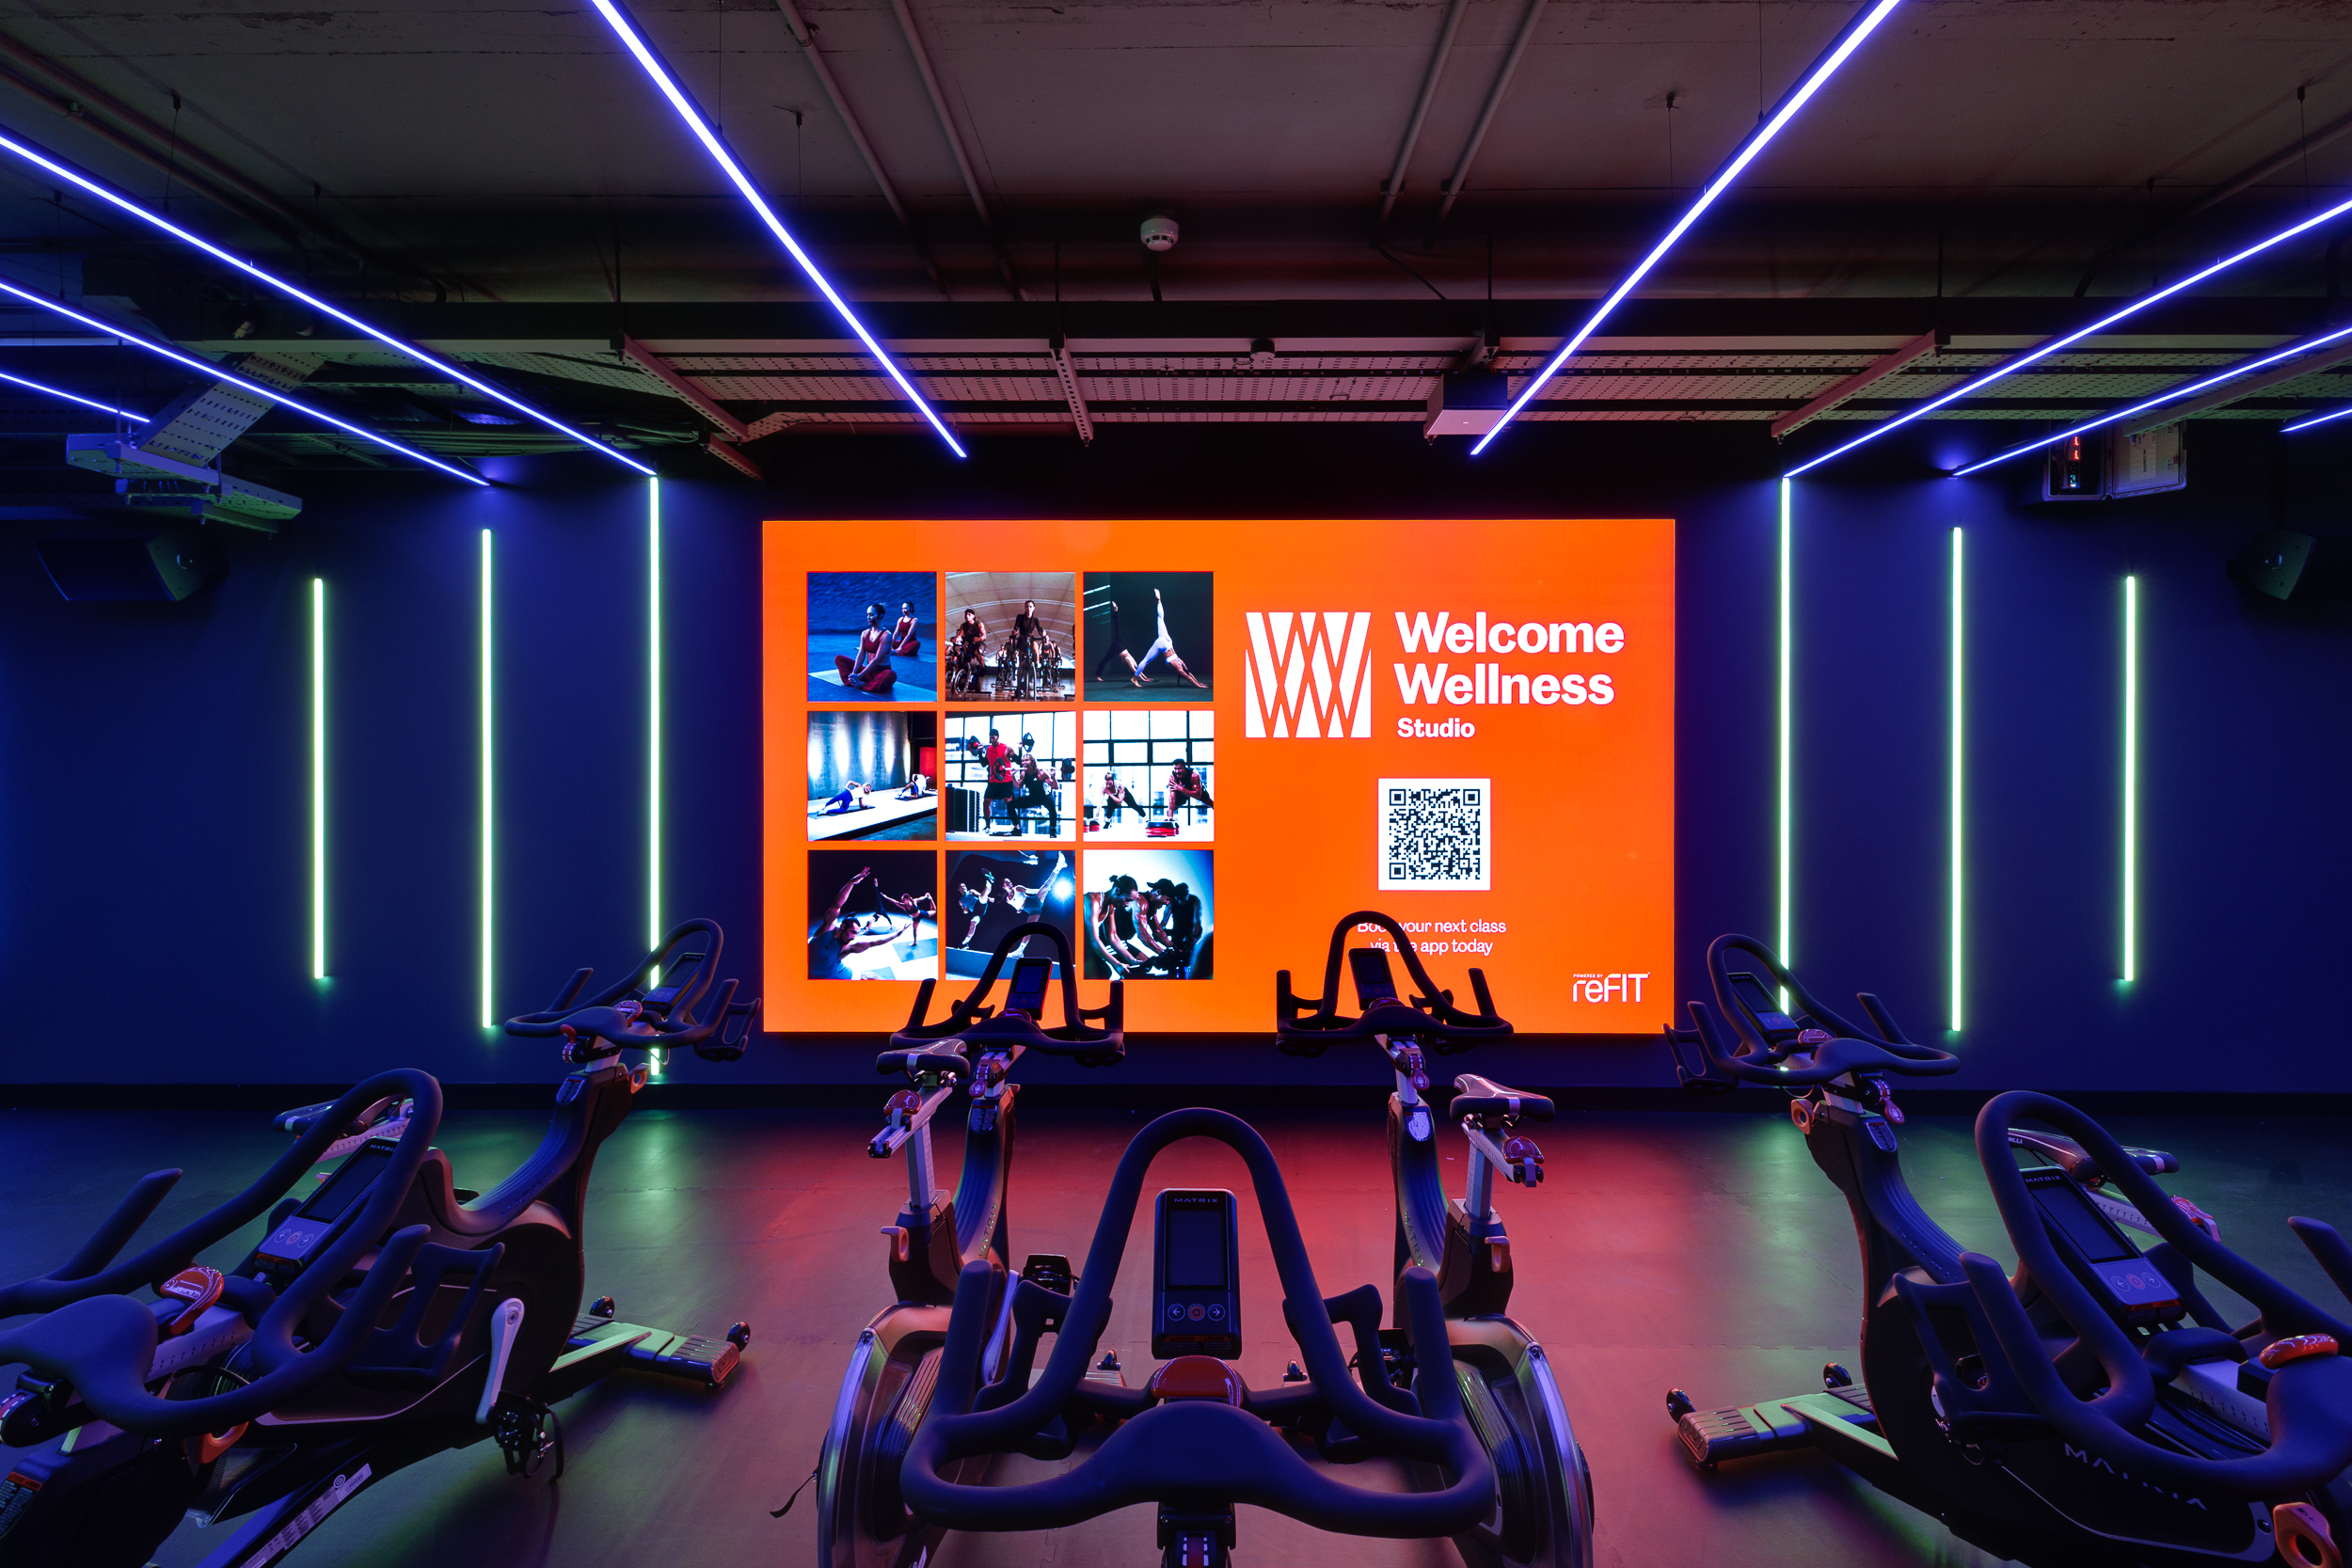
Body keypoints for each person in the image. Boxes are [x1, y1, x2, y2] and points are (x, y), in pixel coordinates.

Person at [811, 867, 904, 977]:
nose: (854, 937)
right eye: (853, 932)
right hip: (817, 977)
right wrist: (851, 883)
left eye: (856, 933)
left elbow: (874, 942)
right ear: (843, 926)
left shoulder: (848, 946)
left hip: (837, 974)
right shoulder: (827, 929)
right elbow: (836, 905)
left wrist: (896, 934)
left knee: (873, 977)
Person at [1113, 587, 1207, 689]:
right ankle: (1159, 600)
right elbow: (1189, 673)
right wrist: (1199, 684)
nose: (1182, 669)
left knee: (1146, 661)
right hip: (1168, 642)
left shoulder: (1176, 667)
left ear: (1177, 673)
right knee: (1161, 618)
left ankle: (1134, 678)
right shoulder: (1180, 663)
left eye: (1180, 671)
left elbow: (1186, 675)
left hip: (1162, 645)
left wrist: (1198, 685)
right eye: (1181, 669)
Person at [834, 602, 898, 695]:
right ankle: (854, 681)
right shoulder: (865, 633)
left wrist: (860, 675)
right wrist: (854, 673)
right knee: (839, 659)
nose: (868, 618)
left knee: (890, 675)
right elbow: (860, 655)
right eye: (867, 615)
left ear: (880, 616)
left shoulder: (886, 635)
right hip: (868, 672)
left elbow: (877, 659)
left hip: (881, 673)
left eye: (871, 615)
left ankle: (863, 685)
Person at [1014, 743, 1060, 836]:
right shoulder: (1023, 774)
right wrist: (1012, 776)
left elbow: (1055, 787)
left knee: (1052, 808)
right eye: (1023, 761)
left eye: (1026, 760)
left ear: (1032, 761)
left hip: (1044, 797)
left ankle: (1053, 830)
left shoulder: (1041, 773)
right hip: (1032, 798)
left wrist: (1053, 776)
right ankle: (1017, 829)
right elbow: (1018, 786)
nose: (1024, 763)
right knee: (1011, 804)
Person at [981, 728, 1018, 832]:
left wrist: (1019, 749)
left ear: (998, 736)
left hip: (1005, 781)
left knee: (1009, 803)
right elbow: (984, 763)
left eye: (994, 736)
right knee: (986, 802)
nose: (992, 738)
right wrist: (979, 752)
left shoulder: (1006, 748)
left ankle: (1016, 826)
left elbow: (1018, 760)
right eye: (991, 736)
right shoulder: (988, 749)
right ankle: (988, 826)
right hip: (993, 782)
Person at [954, 865, 998, 947]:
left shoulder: (971, 891)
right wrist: (965, 910)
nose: (963, 887)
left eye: (964, 886)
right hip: (976, 912)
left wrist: (989, 899)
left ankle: (989, 882)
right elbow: (964, 911)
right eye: (961, 887)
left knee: (982, 897)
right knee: (972, 924)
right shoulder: (961, 900)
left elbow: (981, 895)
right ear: (959, 889)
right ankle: (965, 943)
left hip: (980, 904)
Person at [948, 609, 988, 695]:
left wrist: (979, 638)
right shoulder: (963, 626)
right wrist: (955, 640)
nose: (967, 616)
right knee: (965, 658)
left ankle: (983, 665)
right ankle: (968, 677)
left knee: (977, 653)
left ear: (973, 616)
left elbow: (984, 636)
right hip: (970, 644)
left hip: (979, 642)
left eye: (969, 614)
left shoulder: (979, 624)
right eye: (966, 614)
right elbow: (960, 636)